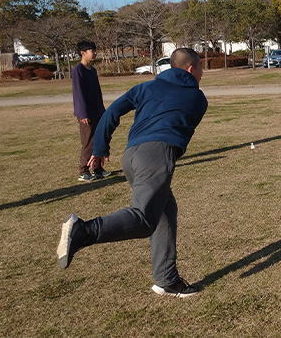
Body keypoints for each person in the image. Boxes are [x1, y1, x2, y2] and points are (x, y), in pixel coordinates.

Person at [57, 48, 208, 298]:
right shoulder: (198, 98)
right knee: (143, 219)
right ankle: (83, 231)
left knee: (165, 211)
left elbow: (112, 112)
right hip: (157, 155)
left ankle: (167, 279)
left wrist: (100, 147)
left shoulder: (145, 88)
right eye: (201, 67)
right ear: (191, 69)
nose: (203, 73)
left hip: (132, 155)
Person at [72, 40, 106, 181]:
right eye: (92, 50)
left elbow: (97, 92)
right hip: (86, 113)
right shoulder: (78, 70)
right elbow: (78, 94)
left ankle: (97, 168)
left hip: (97, 111)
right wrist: (82, 113)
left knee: (99, 140)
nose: (95, 53)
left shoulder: (92, 70)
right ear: (83, 53)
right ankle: (83, 170)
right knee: (88, 142)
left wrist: (103, 110)